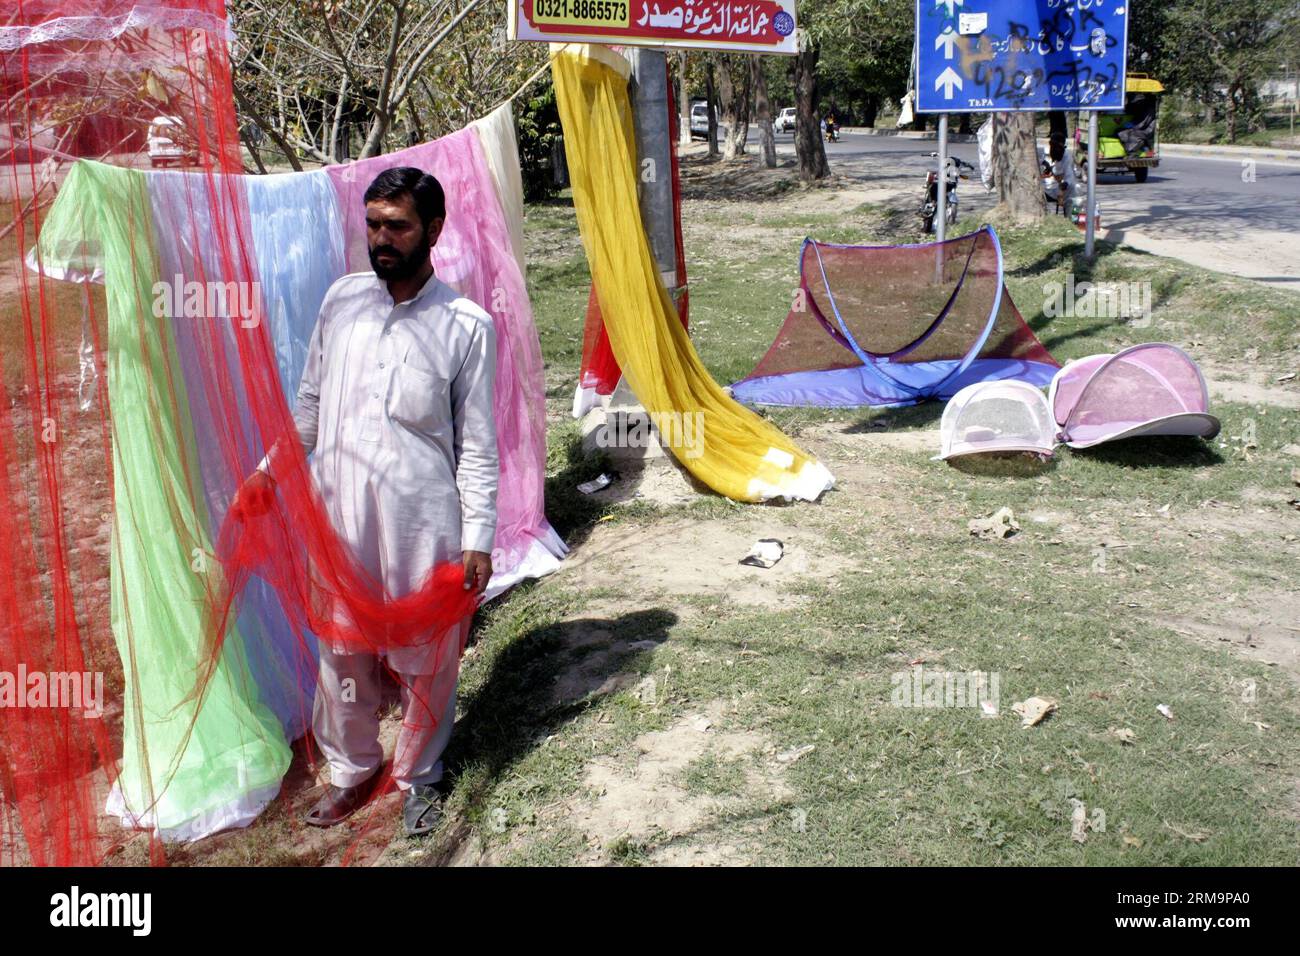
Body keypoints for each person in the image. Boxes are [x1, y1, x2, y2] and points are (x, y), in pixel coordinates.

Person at [236, 167, 499, 836]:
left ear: (433, 230)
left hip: (423, 519)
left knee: (427, 658)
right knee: (340, 651)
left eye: (397, 226)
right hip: (340, 516)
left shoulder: (465, 325)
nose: (381, 239)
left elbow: (477, 445)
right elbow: (311, 408)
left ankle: (419, 777)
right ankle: (353, 770)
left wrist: (478, 537)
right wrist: (268, 471)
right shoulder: (343, 301)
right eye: (373, 224)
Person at [1041, 132, 1076, 215]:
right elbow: (1055, 167)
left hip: (1062, 191)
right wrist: (1050, 168)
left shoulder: (1067, 157)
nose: (1053, 148)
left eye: (1055, 146)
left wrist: (1064, 185)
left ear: (1061, 146)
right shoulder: (1053, 154)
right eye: (1052, 146)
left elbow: (1069, 176)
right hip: (1050, 188)